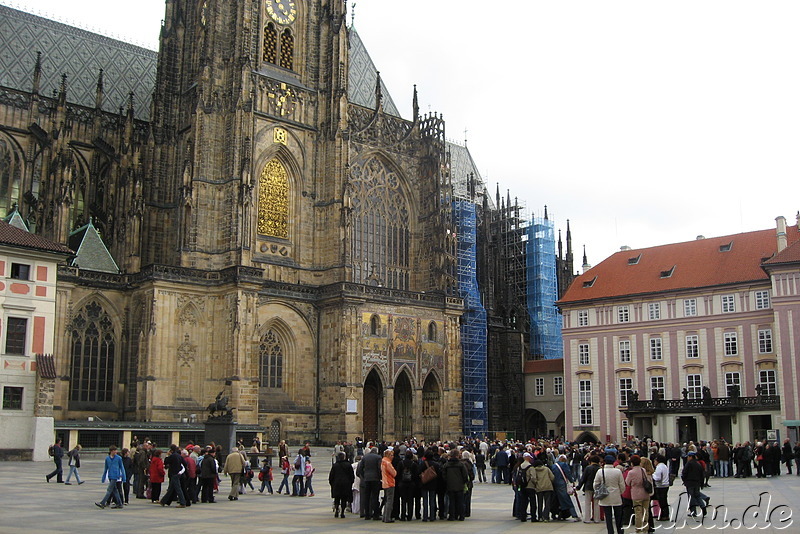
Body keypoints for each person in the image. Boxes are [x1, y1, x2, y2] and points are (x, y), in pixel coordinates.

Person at [595, 455, 626, 534]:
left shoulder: (600, 471)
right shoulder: (618, 471)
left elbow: (595, 484)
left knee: (608, 517)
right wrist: (620, 492)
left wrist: (598, 491)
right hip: (616, 495)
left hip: (605, 495)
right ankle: (620, 531)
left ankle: (610, 531)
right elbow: (622, 485)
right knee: (618, 516)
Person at [625, 455, 653, 533]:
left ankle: (638, 529)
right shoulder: (643, 470)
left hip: (636, 494)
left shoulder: (631, 472)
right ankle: (645, 529)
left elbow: (627, 482)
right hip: (645, 493)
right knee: (645, 512)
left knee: (638, 513)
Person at [356, 446, 383, 520]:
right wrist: (380, 477)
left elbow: (360, 468)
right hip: (375, 479)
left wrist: (364, 476)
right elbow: (379, 468)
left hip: (367, 479)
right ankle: (375, 515)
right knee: (375, 497)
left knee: (366, 497)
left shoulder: (365, 457)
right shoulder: (378, 457)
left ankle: (367, 514)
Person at [551, 454, 580, 521]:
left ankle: (554, 514)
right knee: (566, 499)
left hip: (554, 484)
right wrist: (572, 481)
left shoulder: (553, 466)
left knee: (555, 500)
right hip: (562, 484)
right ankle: (574, 515)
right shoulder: (564, 465)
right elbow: (568, 473)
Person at [442, 448, 469, 521]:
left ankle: (452, 516)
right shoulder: (461, 464)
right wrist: (464, 482)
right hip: (460, 486)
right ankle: (461, 516)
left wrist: (447, 482)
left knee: (452, 502)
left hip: (450, 485)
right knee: (460, 502)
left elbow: (444, 476)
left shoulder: (446, 465)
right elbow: (465, 475)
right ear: (457, 456)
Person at [682, 451, 709, 518]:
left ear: (691, 457)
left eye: (688, 457)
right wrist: (702, 484)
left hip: (690, 483)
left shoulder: (688, 464)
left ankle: (693, 512)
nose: (687, 458)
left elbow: (684, 473)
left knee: (691, 498)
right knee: (697, 496)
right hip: (697, 483)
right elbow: (701, 475)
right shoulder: (698, 464)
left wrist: (684, 480)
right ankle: (703, 507)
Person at [329, 451, 355, 518]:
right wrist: (350, 483)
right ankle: (342, 512)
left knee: (337, 498)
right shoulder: (348, 465)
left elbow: (331, 476)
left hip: (337, 484)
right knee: (344, 498)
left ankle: (337, 510)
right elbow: (352, 476)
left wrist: (332, 484)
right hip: (346, 484)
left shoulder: (335, 465)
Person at [577, 454, 601, 523]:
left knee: (587, 503)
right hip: (597, 487)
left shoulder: (588, 468)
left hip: (588, 486)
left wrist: (579, 486)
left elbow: (583, 478)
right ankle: (596, 519)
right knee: (596, 504)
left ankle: (587, 519)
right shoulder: (599, 469)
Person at [419, 448, 440, 522]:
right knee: (432, 500)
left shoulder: (422, 464)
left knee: (425, 501)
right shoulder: (436, 464)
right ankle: (432, 516)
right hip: (433, 483)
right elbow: (438, 474)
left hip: (425, 483)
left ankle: (425, 516)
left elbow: (419, 473)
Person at [381, 448, 397, 523]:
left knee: (386, 501)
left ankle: (384, 517)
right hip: (389, 482)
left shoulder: (383, 461)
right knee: (389, 502)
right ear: (387, 455)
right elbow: (394, 473)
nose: (392, 456)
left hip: (384, 482)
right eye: (391, 455)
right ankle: (387, 518)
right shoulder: (388, 463)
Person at [652, 454, 671, 521]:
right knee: (664, 501)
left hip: (660, 486)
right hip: (666, 485)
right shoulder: (665, 466)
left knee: (661, 501)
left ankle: (664, 515)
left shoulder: (659, 467)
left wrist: (653, 475)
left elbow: (658, 478)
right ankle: (665, 514)